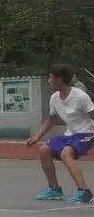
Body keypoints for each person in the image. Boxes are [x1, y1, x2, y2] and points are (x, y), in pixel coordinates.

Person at [27, 64, 94, 204]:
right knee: (44, 150)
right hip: (70, 134)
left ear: (60, 80)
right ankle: (54, 189)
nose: (48, 81)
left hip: (87, 132)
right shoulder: (54, 98)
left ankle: (84, 192)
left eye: (51, 78)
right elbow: (52, 120)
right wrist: (37, 137)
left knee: (66, 154)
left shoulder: (80, 96)